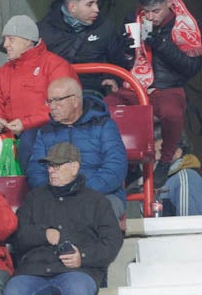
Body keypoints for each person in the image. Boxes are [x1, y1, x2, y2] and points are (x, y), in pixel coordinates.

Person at [3, 143, 124, 295]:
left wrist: (82, 257)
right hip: (35, 270)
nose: (51, 171)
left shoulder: (96, 201)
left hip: (78, 271)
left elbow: (112, 242)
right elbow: (17, 236)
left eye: (57, 166)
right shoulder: (35, 198)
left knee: (78, 292)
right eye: (50, 166)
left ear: (75, 167)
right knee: (12, 294)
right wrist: (44, 235)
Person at [132, 0, 202, 185]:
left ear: (168, 3)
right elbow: (123, 58)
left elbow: (192, 68)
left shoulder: (185, 24)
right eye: (146, 11)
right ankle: (127, 164)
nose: (150, 17)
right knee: (110, 107)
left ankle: (164, 161)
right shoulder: (135, 20)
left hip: (169, 86)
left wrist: (162, 45)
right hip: (137, 83)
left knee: (172, 112)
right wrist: (125, 48)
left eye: (155, 11)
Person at [25, 77, 129, 216]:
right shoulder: (45, 132)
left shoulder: (104, 125)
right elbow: (35, 171)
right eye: (49, 101)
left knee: (93, 215)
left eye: (57, 100)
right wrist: (58, 192)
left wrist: (81, 192)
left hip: (102, 195)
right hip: (57, 197)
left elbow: (116, 167)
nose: (52, 106)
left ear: (74, 101)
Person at [0, 14, 78, 147]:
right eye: (5, 39)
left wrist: (26, 124)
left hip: (51, 138)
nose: (5, 44)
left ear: (28, 40)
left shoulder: (55, 65)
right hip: (10, 143)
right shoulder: (4, 71)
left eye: (11, 39)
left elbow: (63, 105)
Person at [38, 0, 132, 100]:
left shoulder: (105, 28)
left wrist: (114, 79)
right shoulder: (43, 31)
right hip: (52, 92)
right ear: (72, 7)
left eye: (96, 2)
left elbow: (120, 62)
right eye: (90, 4)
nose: (97, 9)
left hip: (91, 92)